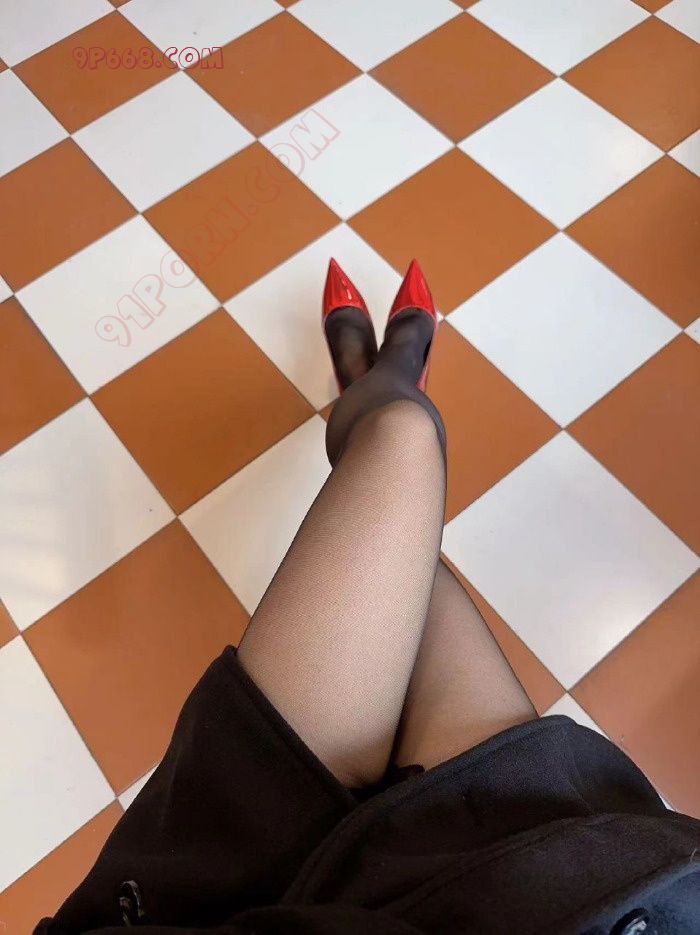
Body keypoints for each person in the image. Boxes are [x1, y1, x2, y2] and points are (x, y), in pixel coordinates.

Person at [36, 261, 700, 934]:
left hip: (225, 890)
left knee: (399, 454)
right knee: (403, 512)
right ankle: (380, 383)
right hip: (547, 870)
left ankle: (374, 384)